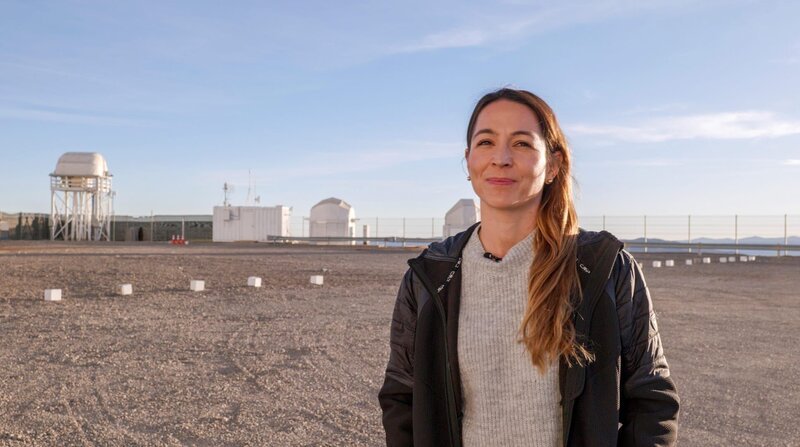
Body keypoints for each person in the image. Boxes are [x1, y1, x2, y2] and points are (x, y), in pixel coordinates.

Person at [378, 88, 680, 447]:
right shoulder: (431, 277)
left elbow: (652, 399)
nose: (501, 158)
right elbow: (402, 397)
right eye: (486, 142)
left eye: (521, 144)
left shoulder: (605, 269)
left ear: (552, 165)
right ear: (468, 160)